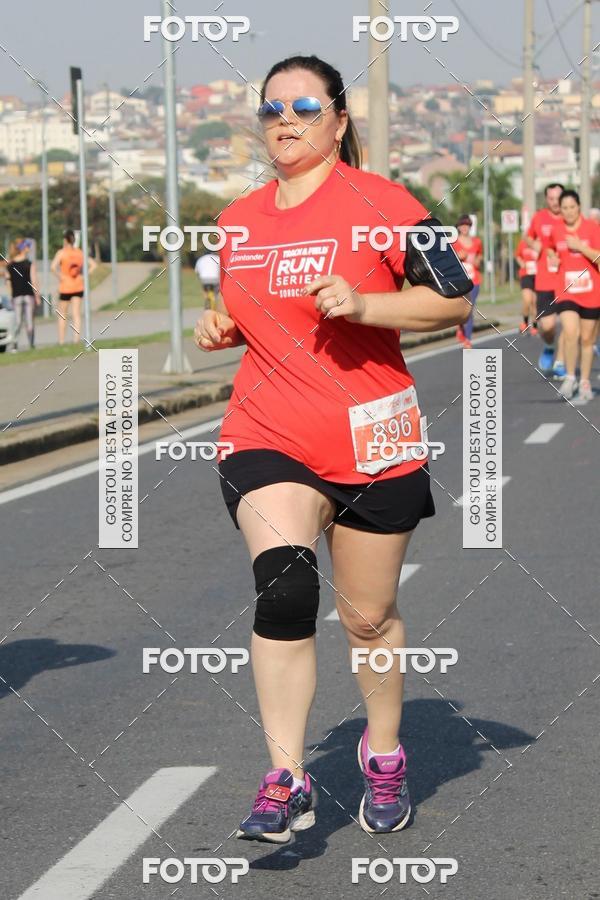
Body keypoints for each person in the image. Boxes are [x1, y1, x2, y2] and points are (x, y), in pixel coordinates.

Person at [194, 54, 471, 841]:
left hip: (373, 438)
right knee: (284, 590)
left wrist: (367, 302)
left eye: (305, 107)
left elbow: (454, 297)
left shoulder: (384, 206)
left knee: (369, 619)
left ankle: (383, 753)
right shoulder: (238, 220)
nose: (284, 120)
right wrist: (217, 328)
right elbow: (240, 314)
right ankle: (285, 777)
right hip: (267, 431)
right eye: (271, 108)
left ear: (340, 121)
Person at [548, 189, 600, 400]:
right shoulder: (556, 229)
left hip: (591, 292)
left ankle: (585, 381)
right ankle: (570, 377)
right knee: (571, 332)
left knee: (587, 339)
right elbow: (550, 248)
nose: (569, 212)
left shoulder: (593, 229)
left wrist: (581, 247)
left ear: (579, 207)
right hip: (566, 291)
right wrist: (553, 257)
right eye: (565, 208)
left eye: (572, 207)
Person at [526, 183, 566, 376]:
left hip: (568, 281)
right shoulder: (539, 218)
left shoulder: (571, 216)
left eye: (558, 198)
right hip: (545, 281)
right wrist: (533, 243)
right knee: (547, 326)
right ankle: (549, 345)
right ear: (546, 199)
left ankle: (561, 363)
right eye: (551, 198)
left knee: (569, 324)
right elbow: (527, 237)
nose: (555, 202)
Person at [50, 229, 96, 345]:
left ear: (65, 240)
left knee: (62, 315)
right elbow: (93, 265)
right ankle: (76, 339)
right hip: (78, 287)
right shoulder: (80, 253)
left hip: (65, 287)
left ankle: (61, 341)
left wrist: (60, 276)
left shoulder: (61, 253)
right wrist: (84, 276)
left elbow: (52, 267)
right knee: (76, 314)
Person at [4, 238, 40, 350]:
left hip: (16, 297)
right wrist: (37, 297)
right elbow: (34, 281)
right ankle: (31, 344)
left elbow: (8, 282)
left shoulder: (10, 265)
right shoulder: (29, 264)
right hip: (29, 296)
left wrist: (10, 296)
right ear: (23, 249)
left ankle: (15, 345)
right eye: (27, 246)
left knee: (18, 322)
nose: (29, 248)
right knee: (29, 321)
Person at [454, 214, 482, 349]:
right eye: (462, 225)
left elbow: (480, 256)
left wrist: (477, 260)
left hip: (474, 280)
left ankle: (468, 340)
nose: (465, 228)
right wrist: (458, 257)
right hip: (459, 280)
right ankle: (460, 327)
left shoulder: (476, 241)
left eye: (467, 225)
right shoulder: (453, 242)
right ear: (458, 227)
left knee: (470, 309)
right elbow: (449, 260)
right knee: (460, 308)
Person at [515, 235, 538, 335]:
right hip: (526, 275)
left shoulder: (538, 243)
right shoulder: (523, 243)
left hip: (537, 275)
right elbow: (517, 255)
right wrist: (521, 263)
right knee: (527, 301)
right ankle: (525, 322)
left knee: (534, 303)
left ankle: (535, 326)